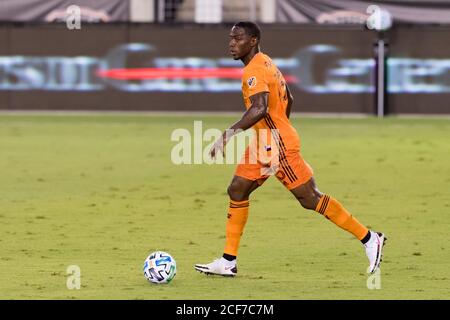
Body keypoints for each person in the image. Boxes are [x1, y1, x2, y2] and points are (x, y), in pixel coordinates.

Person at [194, 21, 386, 277]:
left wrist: (229, 134)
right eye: (230, 38)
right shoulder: (267, 62)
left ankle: (369, 238)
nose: (231, 43)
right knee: (237, 189)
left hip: (276, 145)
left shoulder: (254, 70)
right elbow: (289, 99)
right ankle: (228, 261)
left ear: (252, 41)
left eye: (237, 38)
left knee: (310, 198)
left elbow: (259, 108)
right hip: (264, 142)